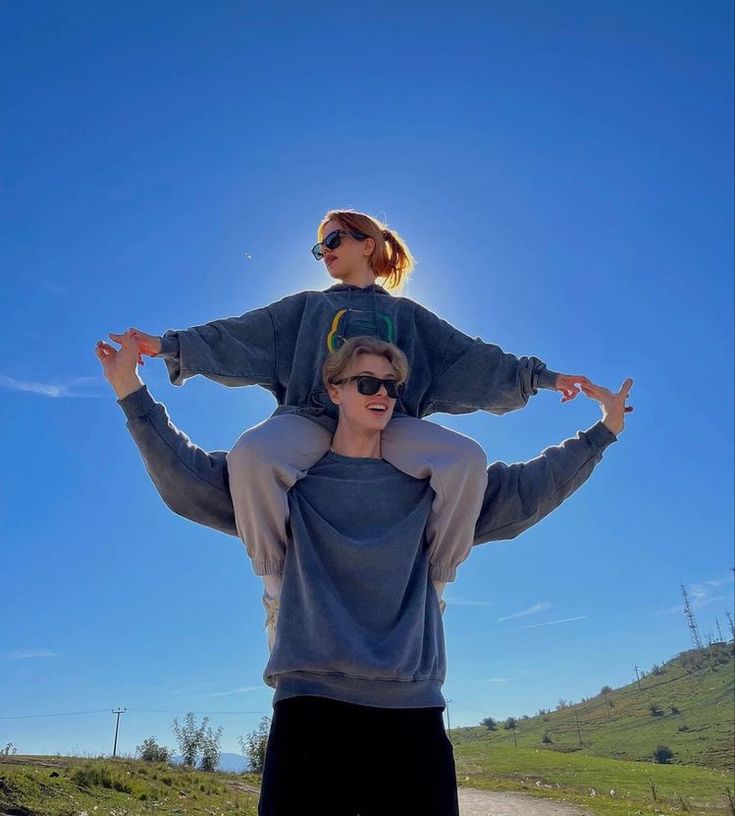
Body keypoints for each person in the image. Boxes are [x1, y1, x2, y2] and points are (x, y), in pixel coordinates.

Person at [95, 330, 632, 816]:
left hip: (413, 710)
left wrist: (603, 432)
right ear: (333, 392)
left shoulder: (433, 491)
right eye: (366, 382)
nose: (382, 394)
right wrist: (130, 393)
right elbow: (187, 477)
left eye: (392, 386)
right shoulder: (290, 484)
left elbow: (525, 491)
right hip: (310, 707)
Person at [106, 209, 591, 629]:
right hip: (312, 418)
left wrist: (543, 379)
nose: (325, 251)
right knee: (251, 455)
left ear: (367, 243)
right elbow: (242, 334)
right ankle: (276, 592)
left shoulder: (409, 317)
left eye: (333, 240)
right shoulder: (308, 308)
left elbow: (475, 360)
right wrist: (170, 345)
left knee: (466, 458)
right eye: (320, 247)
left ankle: (437, 586)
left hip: (389, 421)